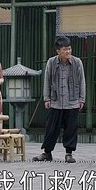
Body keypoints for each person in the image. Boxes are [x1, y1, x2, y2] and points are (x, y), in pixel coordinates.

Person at [33, 35, 86, 164]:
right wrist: (47, 98)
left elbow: (82, 81)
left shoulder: (77, 62)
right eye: (65, 49)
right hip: (55, 101)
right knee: (51, 129)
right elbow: (47, 81)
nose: (68, 51)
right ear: (58, 51)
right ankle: (47, 153)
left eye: (69, 48)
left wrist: (82, 99)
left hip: (72, 102)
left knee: (71, 129)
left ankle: (69, 153)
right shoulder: (51, 62)